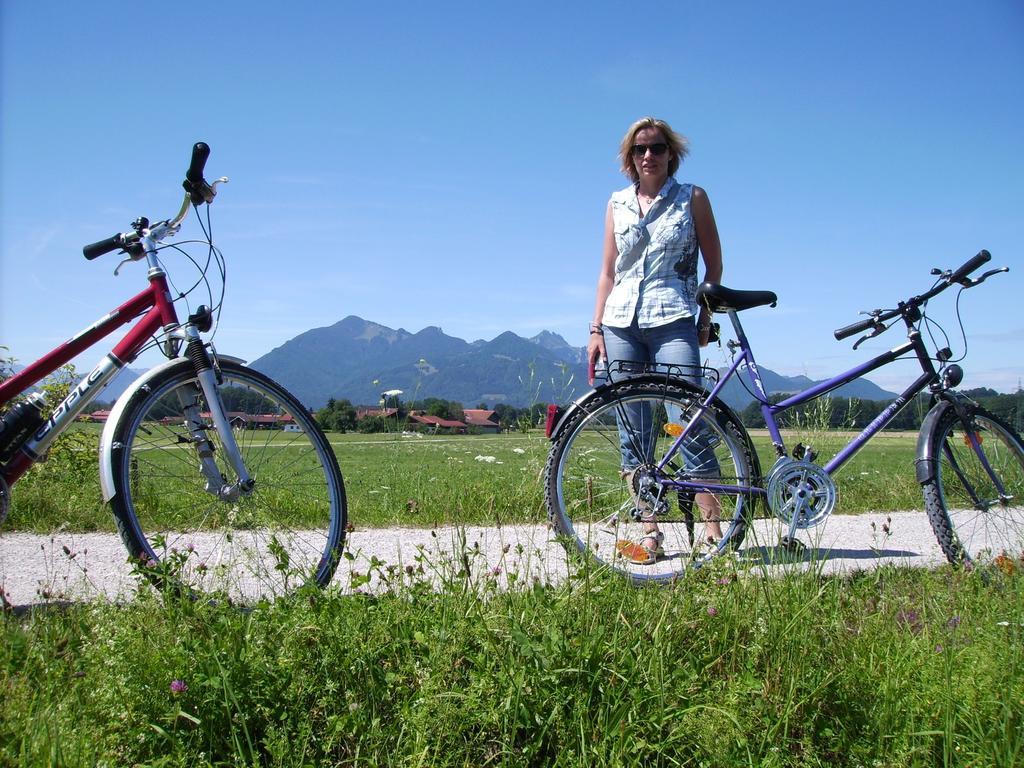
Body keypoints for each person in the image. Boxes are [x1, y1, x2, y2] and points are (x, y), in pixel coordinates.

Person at [587, 116, 724, 564]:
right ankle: (650, 531)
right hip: (620, 322)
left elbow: (713, 266)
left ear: (671, 154)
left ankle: (712, 530)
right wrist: (594, 329)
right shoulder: (616, 203)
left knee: (689, 419)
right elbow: (608, 272)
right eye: (641, 149)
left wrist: (704, 314)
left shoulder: (693, 199)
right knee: (634, 432)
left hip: (673, 319)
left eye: (659, 148)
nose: (650, 155)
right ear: (630, 157)